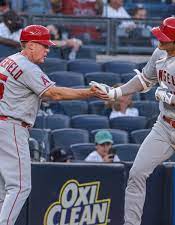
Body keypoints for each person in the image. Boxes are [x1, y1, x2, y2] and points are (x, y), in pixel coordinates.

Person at [90, 17, 175, 225]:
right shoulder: (160, 52)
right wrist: (116, 92)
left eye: (165, 37)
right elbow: (145, 79)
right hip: (164, 126)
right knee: (136, 173)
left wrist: (172, 98)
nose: (159, 40)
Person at [0, 24, 107, 225]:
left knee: (4, 189)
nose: (48, 50)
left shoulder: (9, 60)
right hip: (11, 127)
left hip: (3, 122)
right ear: (31, 45)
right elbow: (54, 93)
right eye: (44, 45)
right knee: (20, 186)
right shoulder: (27, 66)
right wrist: (89, 93)